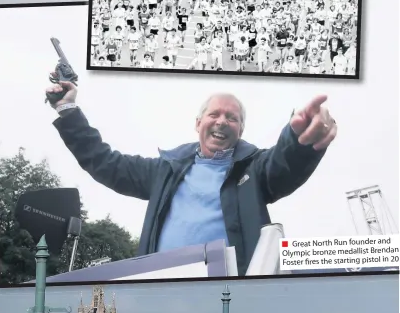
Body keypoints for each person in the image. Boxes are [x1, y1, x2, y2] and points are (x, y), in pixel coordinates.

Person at [46, 83, 336, 275]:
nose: (222, 121)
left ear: (241, 129)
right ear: (199, 123)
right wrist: (68, 112)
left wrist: (299, 138)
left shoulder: (255, 169)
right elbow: (106, 162)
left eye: (232, 118)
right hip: (159, 282)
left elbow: (285, 162)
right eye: (215, 114)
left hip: (227, 290)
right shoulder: (164, 170)